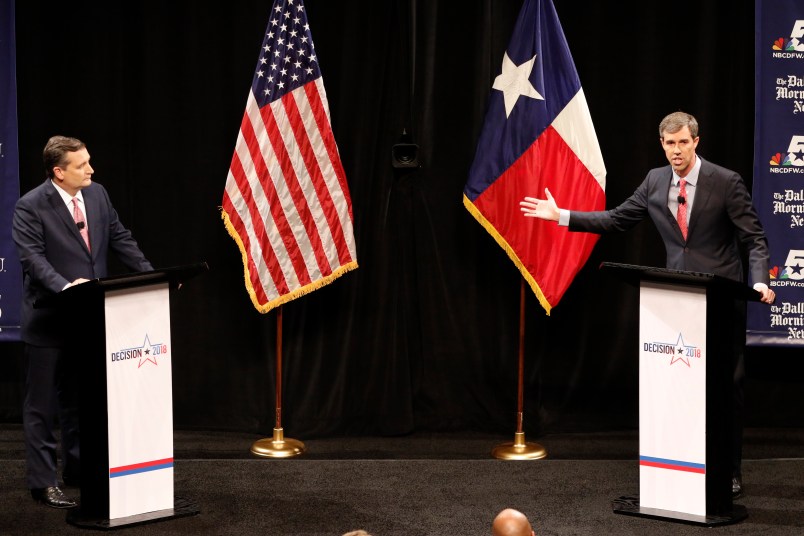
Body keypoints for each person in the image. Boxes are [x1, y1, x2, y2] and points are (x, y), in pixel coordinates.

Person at [519, 111, 775, 500]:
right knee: (681, 386)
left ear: (696, 142)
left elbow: (753, 238)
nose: (676, 151)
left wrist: (759, 280)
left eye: (683, 143)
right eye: (669, 144)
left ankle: (729, 471)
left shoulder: (725, 182)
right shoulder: (655, 181)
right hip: (677, 301)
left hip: (722, 301)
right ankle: (684, 465)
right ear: (662, 144)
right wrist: (562, 216)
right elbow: (618, 219)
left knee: (726, 389)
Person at [12, 136, 153, 508]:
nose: (91, 169)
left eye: (89, 161)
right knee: (41, 406)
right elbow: (33, 260)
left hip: (88, 318)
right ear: (59, 172)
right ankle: (42, 483)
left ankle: (77, 469)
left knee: (78, 401)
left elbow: (120, 237)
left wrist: (150, 276)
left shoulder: (98, 194)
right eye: (81, 165)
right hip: (48, 318)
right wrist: (65, 286)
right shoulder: (30, 206)